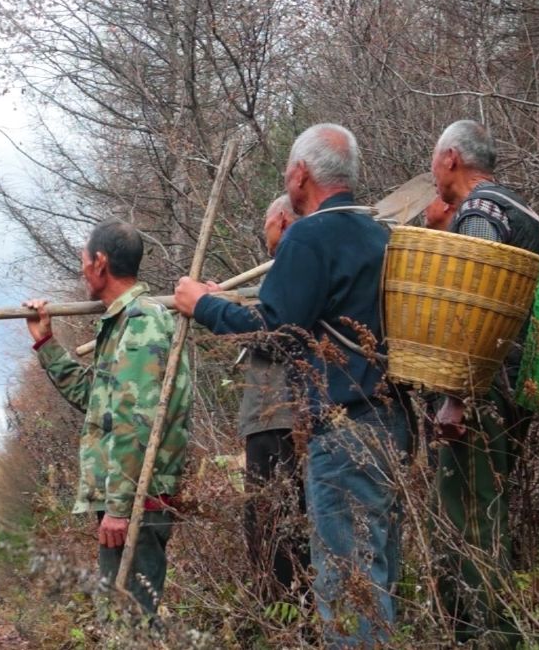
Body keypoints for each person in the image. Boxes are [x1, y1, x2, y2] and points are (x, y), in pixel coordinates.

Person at [174, 124, 409, 646]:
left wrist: (203, 306)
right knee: (377, 572)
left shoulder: (309, 234)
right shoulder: (380, 235)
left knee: (346, 579)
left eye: (287, 170)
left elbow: (277, 330)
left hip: (344, 429)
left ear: (300, 175)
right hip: (391, 426)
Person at [23, 219, 191, 615]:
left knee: (129, 622)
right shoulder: (121, 323)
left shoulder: (140, 322)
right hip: (128, 497)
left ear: (99, 262)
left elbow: (137, 420)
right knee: (120, 618)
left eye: (83, 259)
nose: (82, 268)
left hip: (136, 502)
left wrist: (119, 507)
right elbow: (95, 399)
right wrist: (45, 343)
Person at [430, 120, 539, 646]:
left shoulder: (481, 212)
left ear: (451, 158)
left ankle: (489, 636)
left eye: (434, 162)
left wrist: (455, 396)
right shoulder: (519, 208)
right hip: (513, 388)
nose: (433, 174)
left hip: (481, 393)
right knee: (486, 513)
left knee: (471, 521)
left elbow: (477, 307)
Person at [239, 194, 310, 598]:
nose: (265, 231)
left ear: (281, 220)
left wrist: (214, 309)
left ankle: (289, 623)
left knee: (276, 532)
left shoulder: (297, 262)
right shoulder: (290, 267)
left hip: (278, 419)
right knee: (275, 527)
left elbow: (279, 330)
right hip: (281, 418)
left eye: (266, 222)